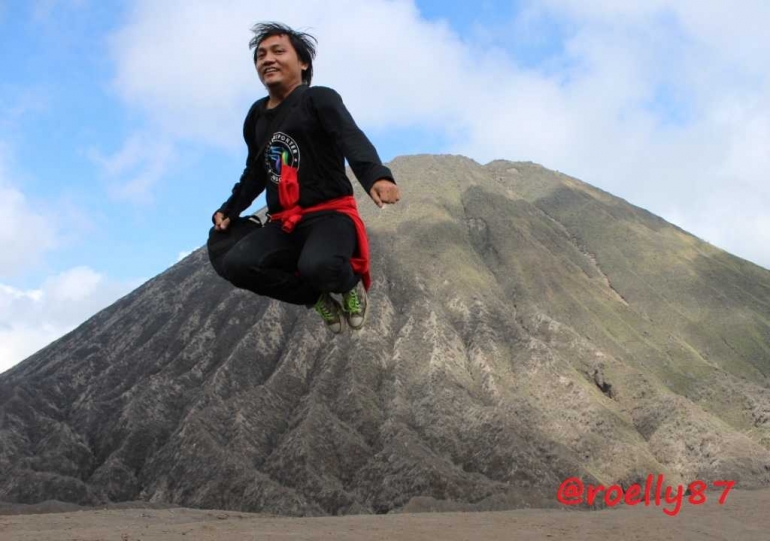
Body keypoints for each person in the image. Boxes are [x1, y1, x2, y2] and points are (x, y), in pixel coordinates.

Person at [207, 22, 400, 334]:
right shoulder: (256, 117)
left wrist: (377, 176)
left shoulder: (319, 99)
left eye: (278, 51)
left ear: (303, 62)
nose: (267, 59)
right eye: (260, 55)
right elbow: (256, 171)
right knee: (238, 265)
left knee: (320, 266)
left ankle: (350, 287)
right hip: (283, 222)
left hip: (330, 214)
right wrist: (230, 210)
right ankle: (316, 297)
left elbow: (349, 137)